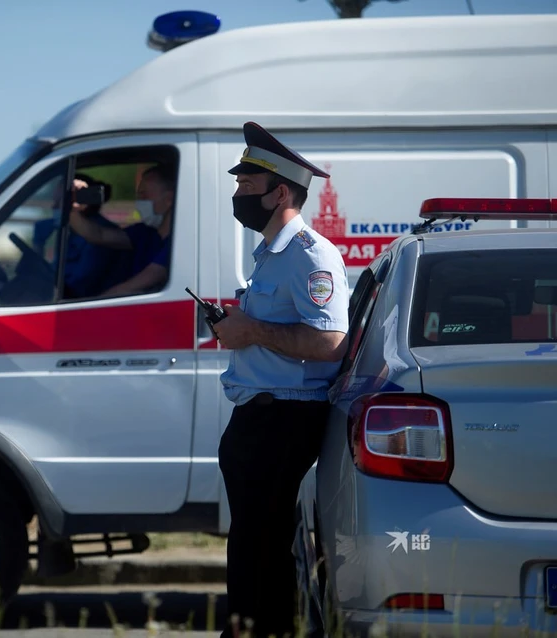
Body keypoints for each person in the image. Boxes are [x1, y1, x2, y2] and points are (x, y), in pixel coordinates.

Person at [211, 122, 350, 638]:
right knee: (253, 541)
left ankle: (255, 631)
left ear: (281, 192)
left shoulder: (311, 255)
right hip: (259, 416)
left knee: (262, 544)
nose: (238, 193)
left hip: (285, 418)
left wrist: (252, 330)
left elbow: (329, 343)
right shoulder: (270, 253)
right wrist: (243, 328)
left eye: (246, 185)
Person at [67, 164, 175, 297]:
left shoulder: (177, 243)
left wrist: (92, 308)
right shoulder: (145, 232)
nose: (139, 202)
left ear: (169, 199)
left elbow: (144, 280)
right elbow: (98, 235)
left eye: (144, 195)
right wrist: (71, 205)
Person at [32, 174, 133, 299]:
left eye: (60, 203)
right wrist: (38, 245)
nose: (53, 207)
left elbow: (76, 289)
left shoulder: (100, 238)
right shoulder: (68, 233)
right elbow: (53, 274)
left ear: (80, 203)